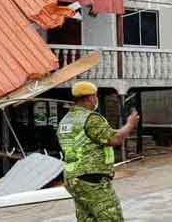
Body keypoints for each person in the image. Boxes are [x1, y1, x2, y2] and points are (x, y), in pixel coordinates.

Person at [57, 81, 140, 222]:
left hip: (73, 177)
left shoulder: (66, 120)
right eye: (95, 96)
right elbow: (114, 139)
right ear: (90, 97)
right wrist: (130, 125)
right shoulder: (91, 118)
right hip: (92, 178)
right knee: (111, 217)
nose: (96, 99)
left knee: (88, 218)